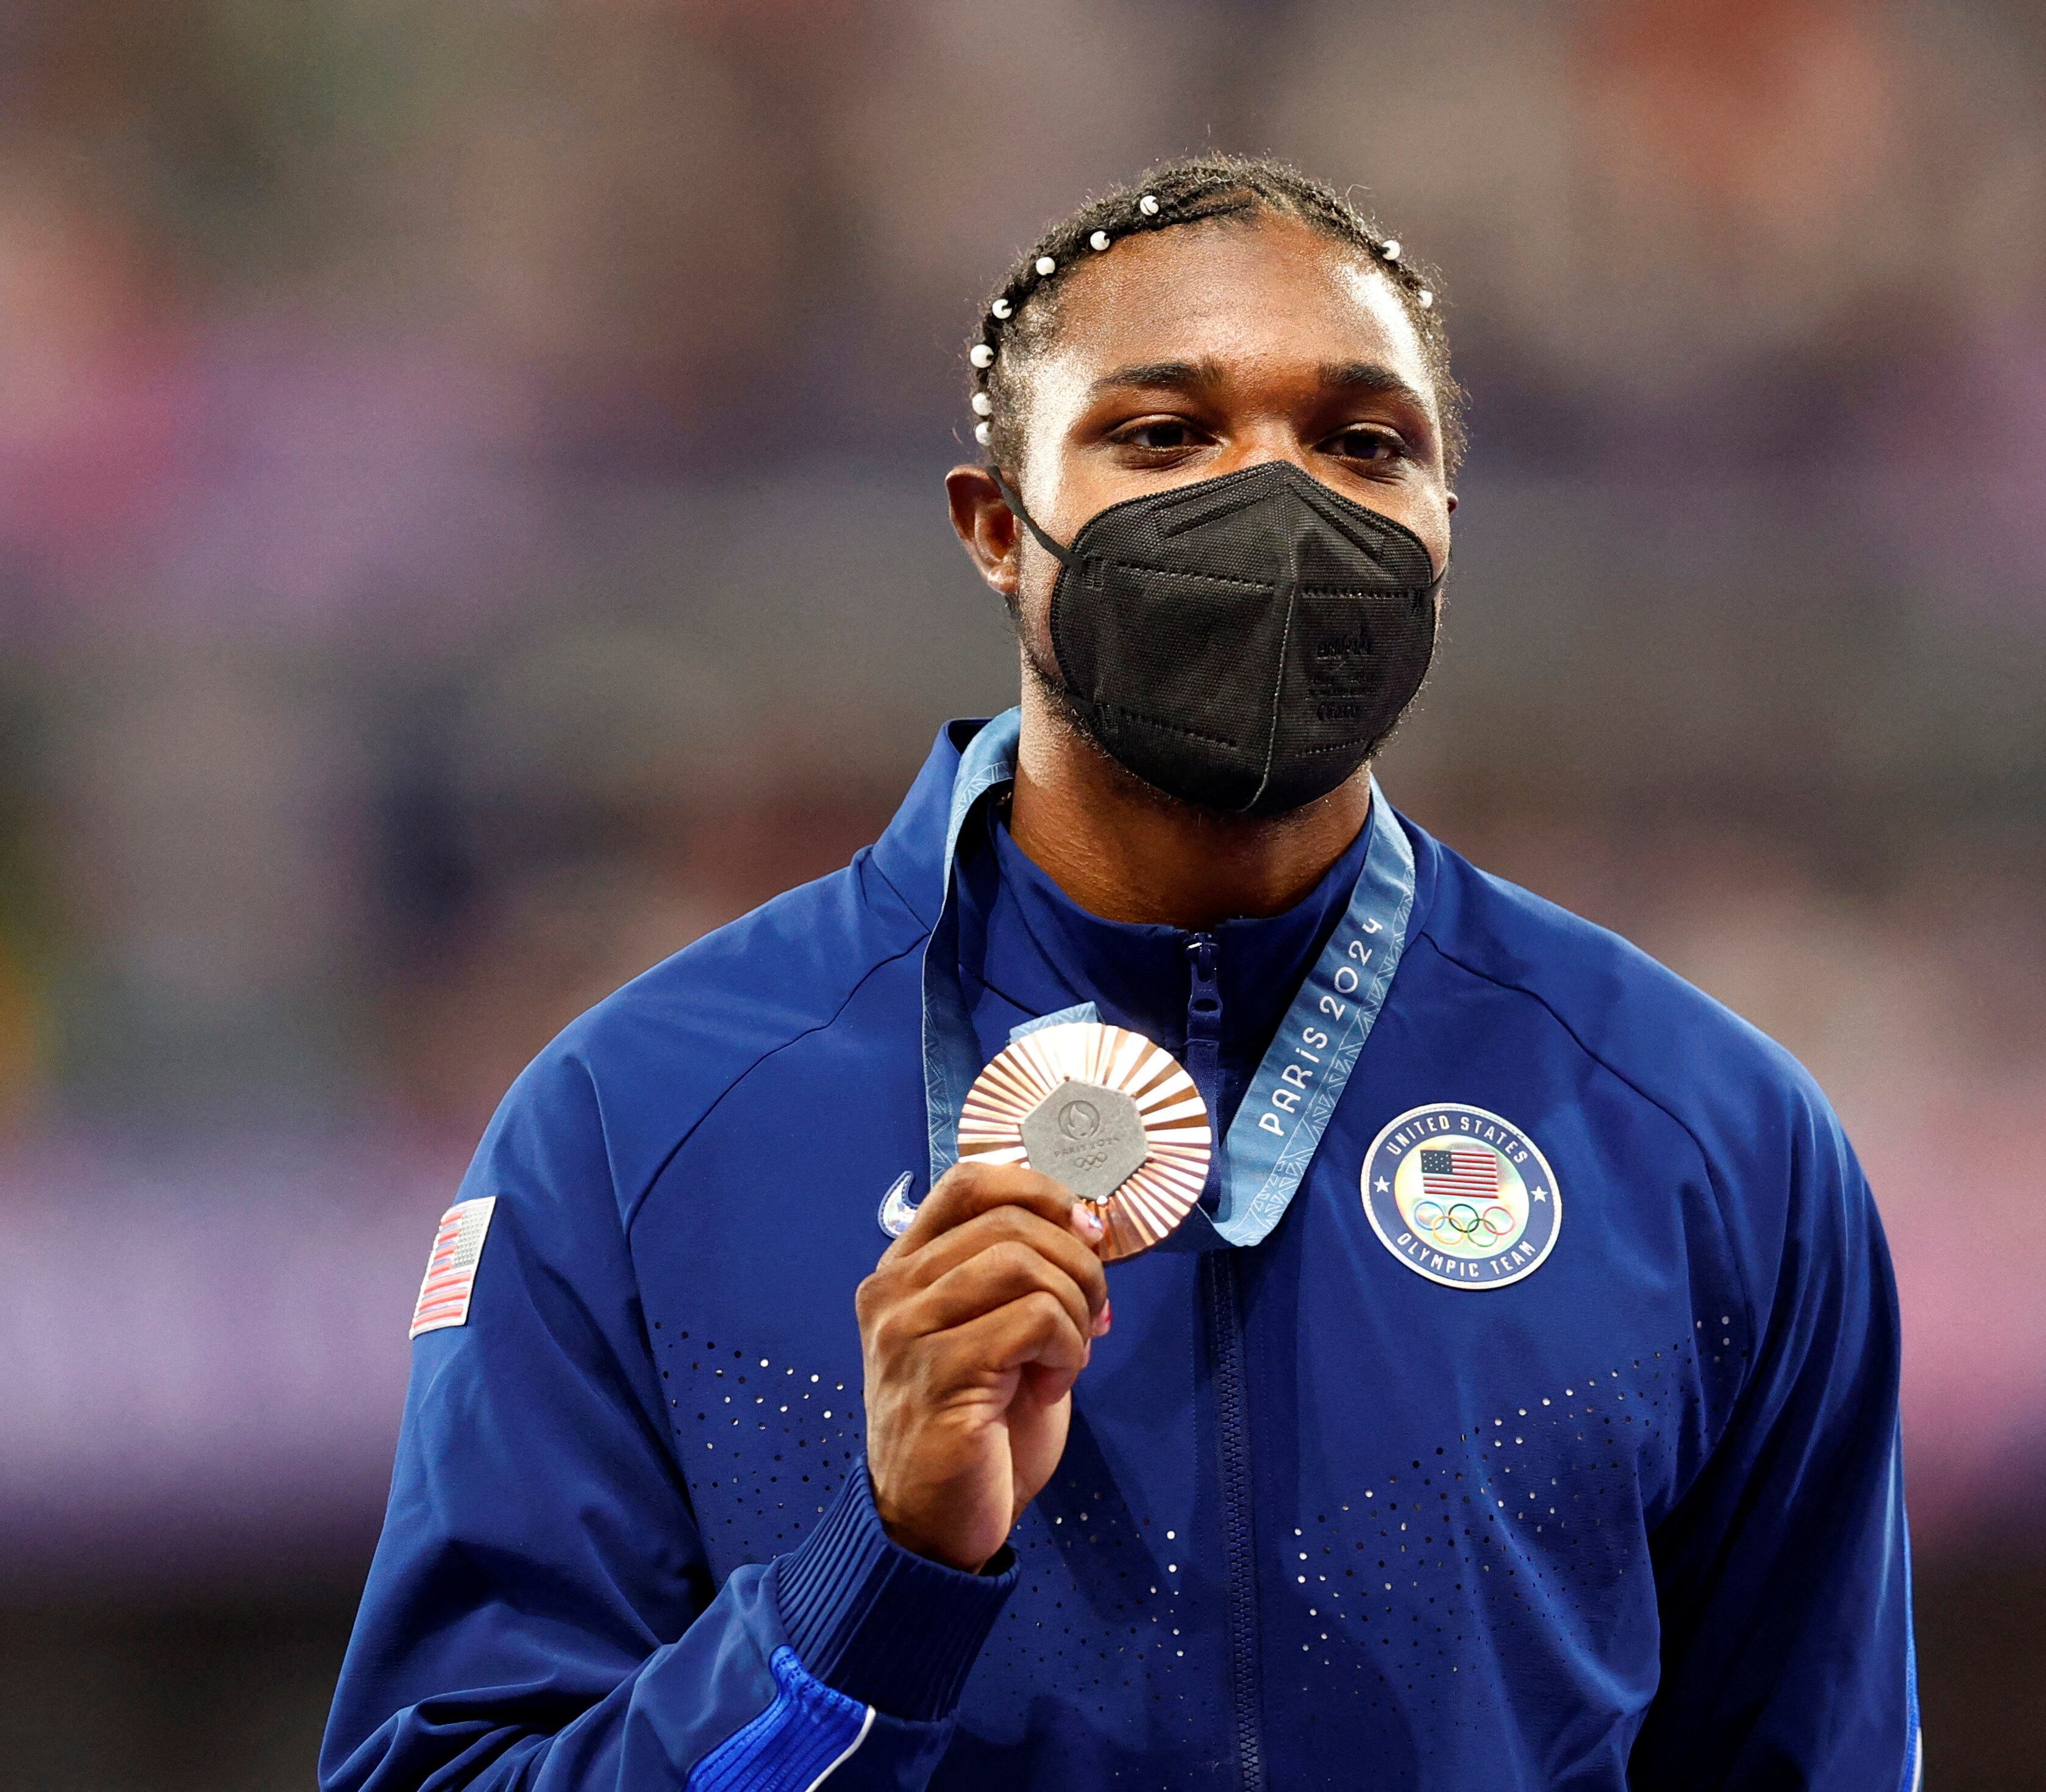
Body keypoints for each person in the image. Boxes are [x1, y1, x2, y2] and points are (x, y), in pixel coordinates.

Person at [323, 153, 1917, 1792]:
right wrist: (866, 1584)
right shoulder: (638, 1122)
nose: (1278, 502)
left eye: (1364, 444)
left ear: (1447, 526)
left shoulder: (1708, 1138)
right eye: (1164, 435)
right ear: (996, 527)